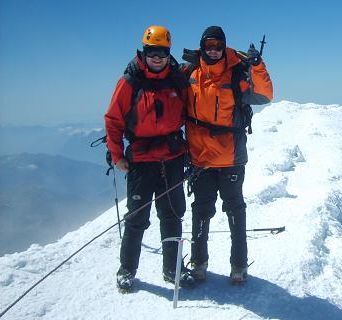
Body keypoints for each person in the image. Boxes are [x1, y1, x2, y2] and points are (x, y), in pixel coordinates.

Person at [104, 25, 195, 292]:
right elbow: (113, 120)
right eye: (152, 52)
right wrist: (117, 155)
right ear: (143, 53)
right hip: (142, 161)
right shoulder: (130, 82)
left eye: (162, 52)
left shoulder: (177, 80)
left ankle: (173, 269)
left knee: (172, 215)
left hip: (172, 158)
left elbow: (193, 112)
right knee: (137, 218)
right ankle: (127, 270)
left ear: (169, 54)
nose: (157, 57)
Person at [182, 26, 273, 284]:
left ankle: (238, 266)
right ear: (202, 47)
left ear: (223, 47)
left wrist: (257, 65)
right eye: (208, 46)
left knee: (234, 212)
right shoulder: (189, 73)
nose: (213, 50)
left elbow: (265, 95)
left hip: (230, 157)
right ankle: (198, 263)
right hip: (201, 159)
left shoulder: (236, 73)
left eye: (217, 46)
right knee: (201, 211)